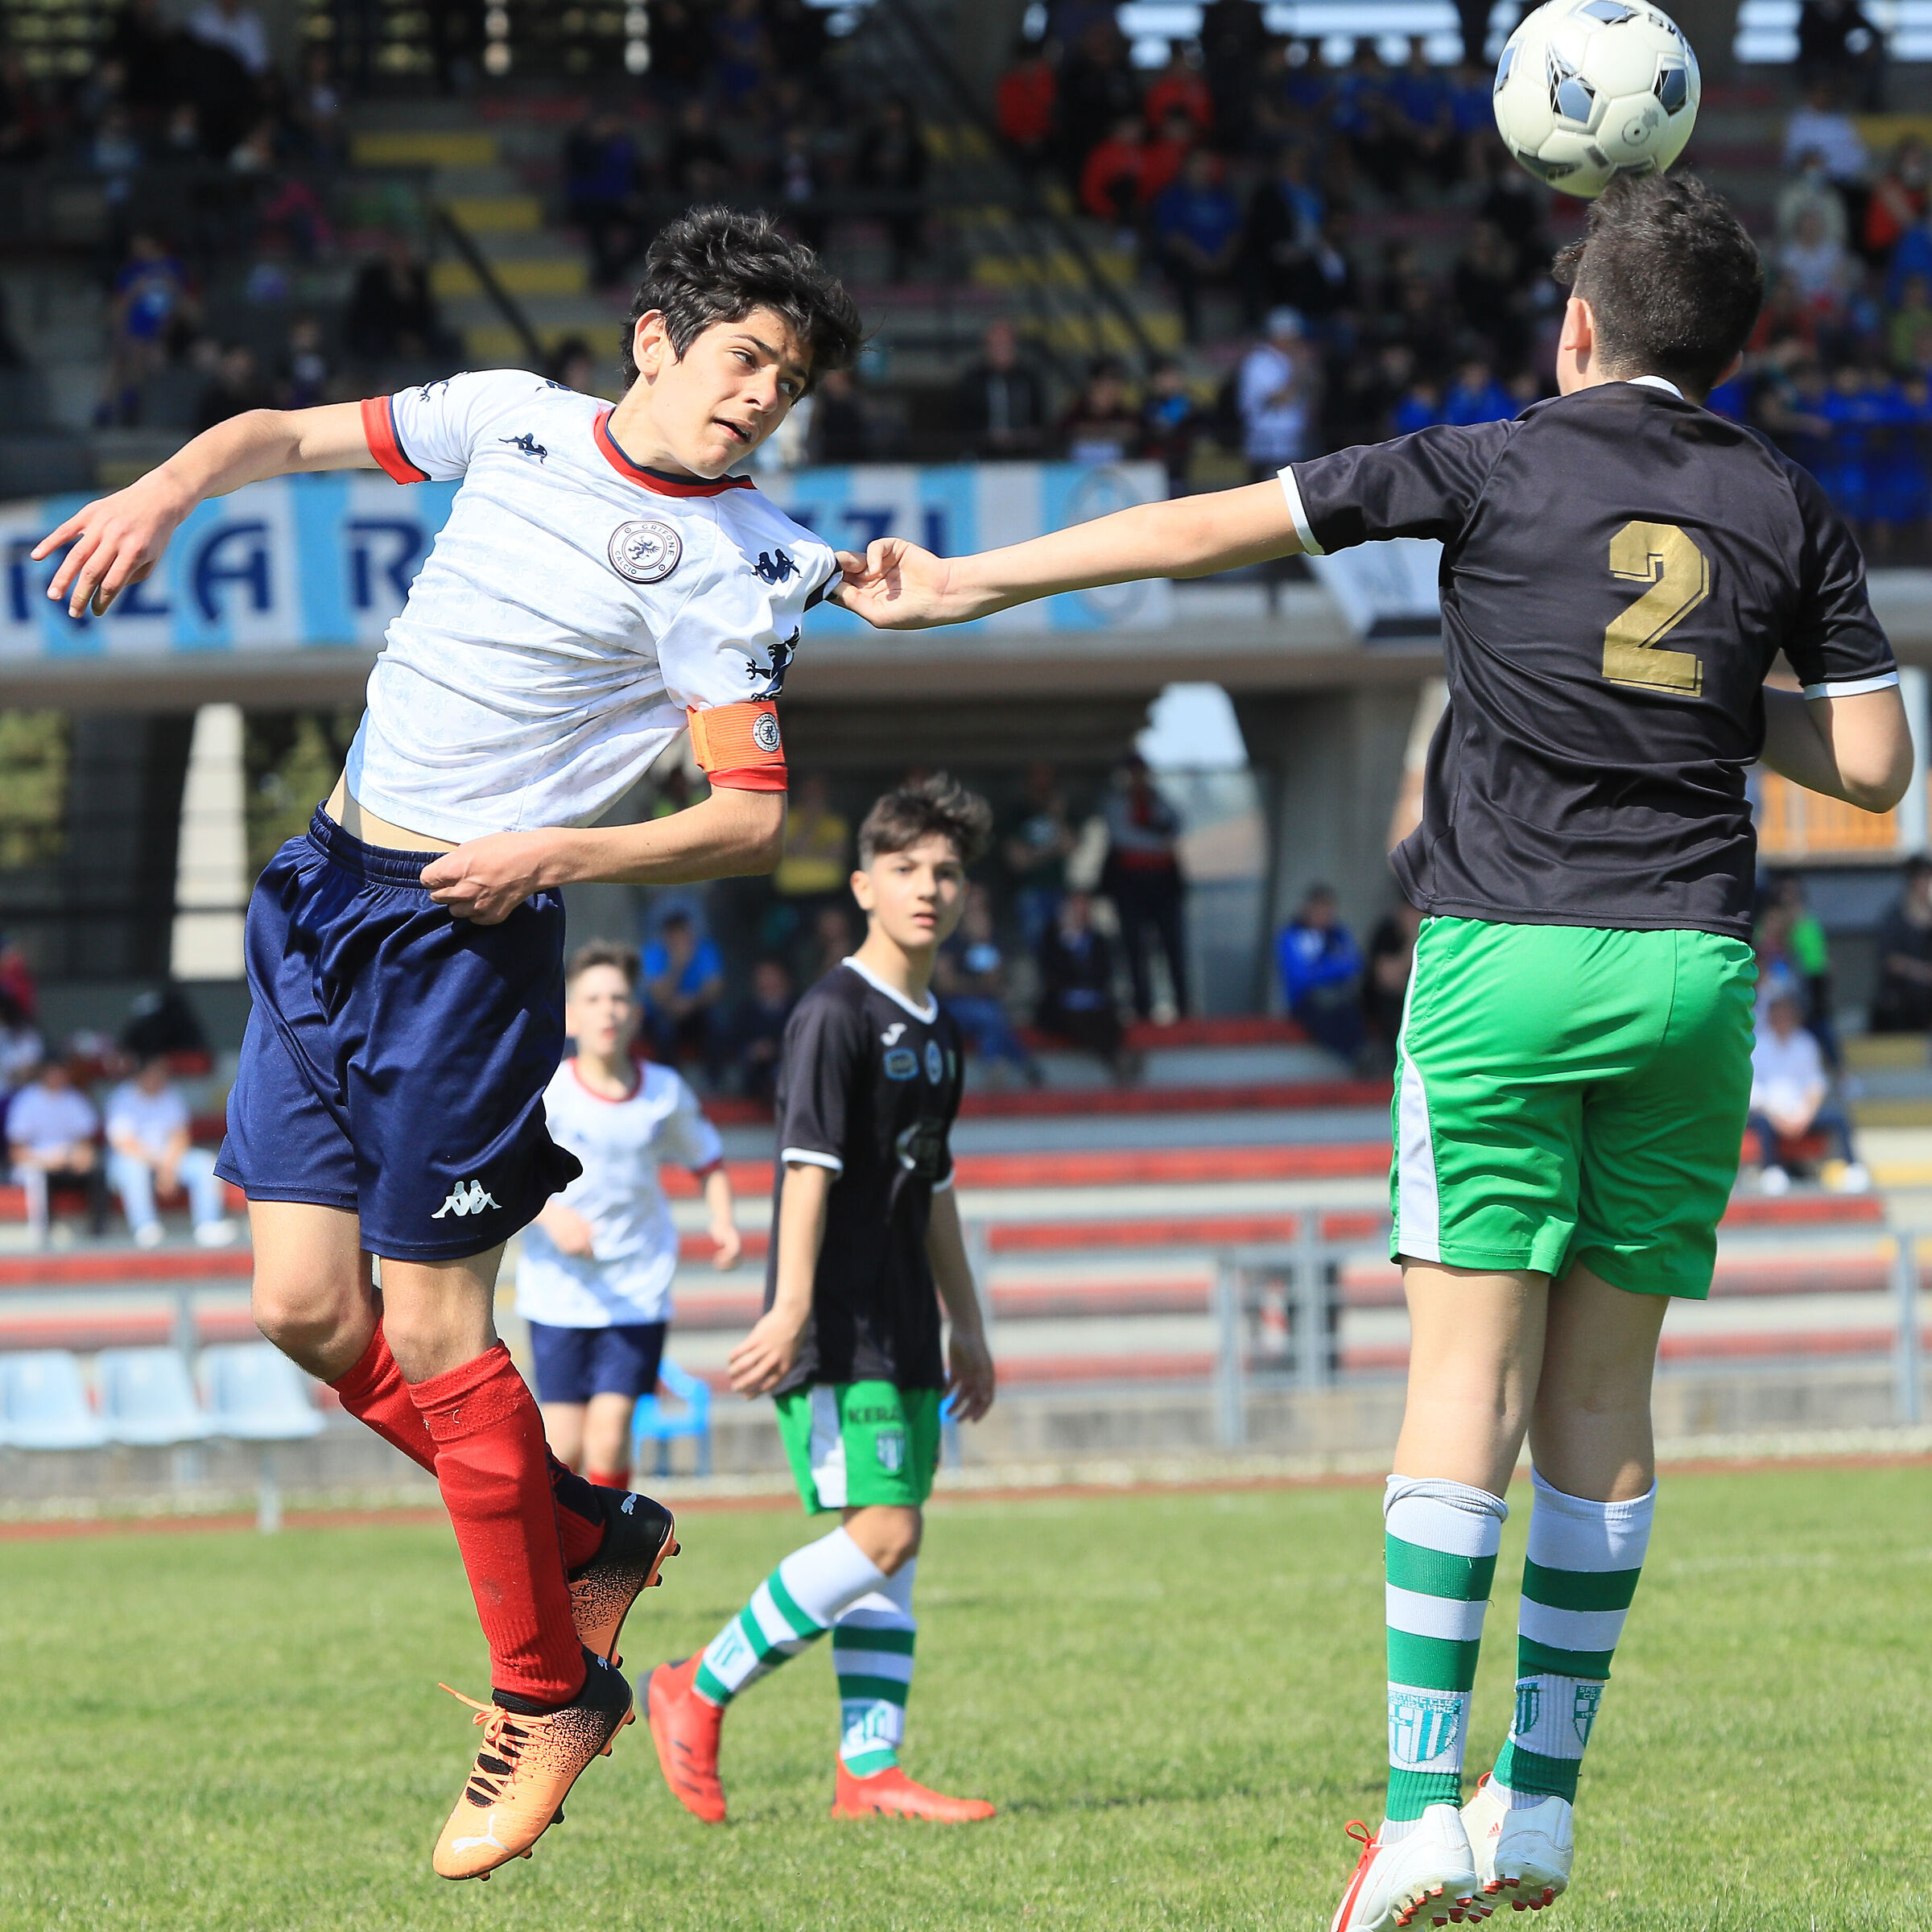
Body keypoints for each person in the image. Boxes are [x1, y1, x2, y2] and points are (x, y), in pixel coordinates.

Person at [825, 171, 1913, 1926]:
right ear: (1732, 350)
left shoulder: (1484, 458)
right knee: (1602, 1399)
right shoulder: (1786, 499)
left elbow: (1206, 535)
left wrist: (969, 590)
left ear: (1575, 329)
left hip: (1508, 963)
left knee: (1459, 1388)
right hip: (1699, 975)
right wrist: (1712, 698)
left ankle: (1423, 1807)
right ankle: (1539, 1805)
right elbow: (1873, 768)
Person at [35, 204, 864, 1880]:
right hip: (323, 891)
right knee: (299, 1307)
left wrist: (560, 856)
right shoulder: (511, 419)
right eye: (743, 359)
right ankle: (587, 1533)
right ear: (654, 338)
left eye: (785, 379)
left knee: (431, 1319)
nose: (760, 396)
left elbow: (748, 818)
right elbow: (284, 429)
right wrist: (165, 484)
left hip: (471, 944)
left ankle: (545, 1695)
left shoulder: (736, 558)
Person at [642, 777, 997, 1826]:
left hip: (902, 1321)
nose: (927, 888)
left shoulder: (940, 1029)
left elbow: (931, 1183)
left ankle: (869, 1771)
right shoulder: (833, 1014)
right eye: (905, 870)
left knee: (897, 1534)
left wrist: (966, 1322)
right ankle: (693, 1689)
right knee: (881, 1532)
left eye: (944, 872)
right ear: (862, 886)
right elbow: (804, 1168)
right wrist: (792, 1306)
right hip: (838, 1322)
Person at [522, 943, 741, 1491]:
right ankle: (564, 1568)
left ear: (636, 1013)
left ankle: (609, 1566)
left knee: (612, 1434)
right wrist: (553, 1218)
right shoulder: (546, 1092)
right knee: (564, 1445)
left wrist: (723, 1222)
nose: (608, 1010)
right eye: (593, 999)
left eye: (619, 999)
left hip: (637, 1284)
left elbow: (707, 1159)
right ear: (570, 1016)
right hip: (559, 1288)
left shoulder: (663, 1092)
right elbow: (505, 1173)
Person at [1745, 975, 1868, 1194]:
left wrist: (1805, 1114)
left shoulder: (1806, 1043)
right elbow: (1753, 1089)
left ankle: (1853, 1167)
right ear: (1771, 1017)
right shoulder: (1758, 1045)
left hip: (1802, 1114)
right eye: (1778, 1014)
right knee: (1761, 1123)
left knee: (1838, 1116)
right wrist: (1778, 1116)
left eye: (1787, 1014)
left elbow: (1816, 1084)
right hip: (1769, 1114)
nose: (1783, 1018)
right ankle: (1771, 1171)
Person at [105, 1055, 237, 1248]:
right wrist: (162, 1167)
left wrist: (169, 1166)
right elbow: (124, 1143)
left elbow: (180, 1135)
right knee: (133, 1168)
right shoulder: (122, 1097)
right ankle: (145, 1227)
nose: (160, 1077)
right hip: (132, 1160)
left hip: (168, 1160)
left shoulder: (170, 1095)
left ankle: (208, 1224)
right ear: (142, 1074)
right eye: (155, 1072)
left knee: (204, 1163)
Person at [1102, 755, 1187, 1023]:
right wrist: (1156, 835)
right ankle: (1142, 1009)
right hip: (1130, 884)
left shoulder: (1159, 799)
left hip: (1163, 884)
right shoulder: (1115, 802)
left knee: (1173, 946)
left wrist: (1154, 831)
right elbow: (1124, 836)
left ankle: (1183, 1008)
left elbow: (1176, 824)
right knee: (1134, 947)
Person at [936, 882, 1039, 1086]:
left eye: (980, 907)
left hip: (984, 1008)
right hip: (951, 1009)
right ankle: (1022, 1061)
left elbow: (994, 983)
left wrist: (981, 943)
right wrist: (977, 986)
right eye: (971, 905)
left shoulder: (990, 940)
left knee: (989, 1017)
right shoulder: (947, 938)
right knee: (990, 1014)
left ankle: (996, 1066)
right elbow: (945, 985)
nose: (976, 912)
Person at [8, 1059, 106, 1244]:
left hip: (69, 1164)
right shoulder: (27, 1100)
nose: (57, 1077)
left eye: (61, 1072)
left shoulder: (74, 1100)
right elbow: (16, 1151)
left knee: (98, 1170)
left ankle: (98, 1234)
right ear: (44, 1073)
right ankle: (42, 1235)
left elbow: (86, 1142)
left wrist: (81, 1156)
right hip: (37, 1163)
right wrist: (46, 1160)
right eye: (53, 1072)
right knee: (37, 1176)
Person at [1036, 890, 1128, 1079]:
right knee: (1079, 1018)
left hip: (1093, 997)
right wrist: (1069, 945)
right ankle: (1115, 1059)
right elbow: (1051, 973)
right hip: (1062, 1001)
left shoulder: (1098, 940)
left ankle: (1116, 1058)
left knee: (1106, 1017)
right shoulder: (1052, 937)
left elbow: (1104, 973)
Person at [1277, 884, 1364, 1063]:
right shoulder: (1291, 936)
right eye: (1319, 910)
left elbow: (1354, 963)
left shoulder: (1338, 934)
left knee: (1352, 1013)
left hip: (1339, 997)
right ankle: (1358, 1056)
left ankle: (1362, 1053)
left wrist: (1319, 969)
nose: (1323, 916)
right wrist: (1332, 967)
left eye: (1327, 910)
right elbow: (1299, 977)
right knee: (1323, 1017)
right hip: (1305, 1001)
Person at [641, 910, 727, 1079]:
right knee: (663, 1030)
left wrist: (691, 1003)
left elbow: (715, 990)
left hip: (696, 1011)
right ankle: (669, 1082)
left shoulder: (705, 949)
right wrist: (677, 965)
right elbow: (659, 998)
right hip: (663, 1014)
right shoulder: (652, 953)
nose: (680, 940)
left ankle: (716, 1083)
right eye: (674, 935)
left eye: (683, 933)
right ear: (665, 937)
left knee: (717, 1025)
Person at [953, 319, 1048, 459]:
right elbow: (962, 419)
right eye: (996, 344)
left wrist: (1027, 435)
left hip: (1024, 456)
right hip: (982, 455)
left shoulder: (1029, 378)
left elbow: (1040, 417)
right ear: (986, 346)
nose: (1001, 348)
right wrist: (987, 436)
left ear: (1014, 345)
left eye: (1005, 343)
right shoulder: (973, 380)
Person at [1869, 853, 1932, 1030]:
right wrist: (1924, 973)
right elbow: (1890, 961)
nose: (1927, 885)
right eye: (1924, 879)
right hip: (1902, 1001)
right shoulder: (1894, 918)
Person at [729, 956, 796, 1102]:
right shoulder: (745, 1012)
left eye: (772, 974)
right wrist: (753, 1051)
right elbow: (733, 1043)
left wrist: (776, 1050)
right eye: (762, 975)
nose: (767, 980)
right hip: (755, 1074)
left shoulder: (799, 1009)